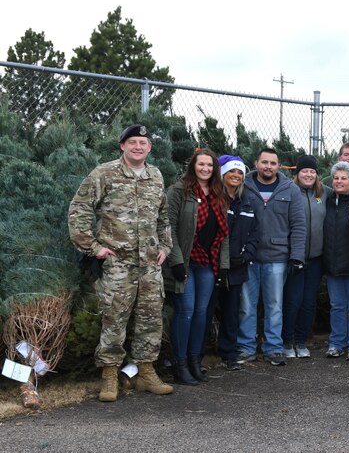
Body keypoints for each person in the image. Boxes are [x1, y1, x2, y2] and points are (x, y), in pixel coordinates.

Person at [68, 124, 174, 401]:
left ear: (149, 147)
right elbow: (79, 209)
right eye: (133, 142)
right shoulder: (104, 173)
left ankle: (146, 373)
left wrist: (165, 246)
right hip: (118, 263)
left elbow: (163, 216)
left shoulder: (155, 176)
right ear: (122, 146)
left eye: (144, 142)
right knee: (114, 319)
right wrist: (93, 247)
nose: (138, 147)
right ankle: (110, 376)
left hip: (150, 263)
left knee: (151, 319)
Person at [164, 148, 229, 385]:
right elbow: (168, 227)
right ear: (193, 166)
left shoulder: (217, 193)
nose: (205, 169)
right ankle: (179, 365)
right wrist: (177, 261)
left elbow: (224, 234)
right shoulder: (179, 191)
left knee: (202, 313)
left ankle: (194, 360)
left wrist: (223, 265)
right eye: (201, 164)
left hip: (208, 263)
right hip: (186, 261)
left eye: (210, 165)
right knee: (186, 312)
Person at [238, 148, 307, 366]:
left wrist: (297, 256)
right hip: (248, 257)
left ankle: (273, 348)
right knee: (247, 306)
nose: (269, 166)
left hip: (277, 257)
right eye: (264, 162)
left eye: (273, 163)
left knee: (275, 306)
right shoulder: (244, 186)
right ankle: (246, 348)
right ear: (256, 163)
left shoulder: (290, 189)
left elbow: (298, 225)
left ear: (279, 166)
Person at [214, 155, 260, 372]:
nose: (236, 176)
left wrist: (247, 254)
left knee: (232, 312)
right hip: (213, 265)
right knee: (204, 310)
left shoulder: (247, 201)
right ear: (222, 174)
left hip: (238, 266)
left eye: (240, 172)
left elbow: (255, 232)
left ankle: (229, 353)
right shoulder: (215, 198)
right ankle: (193, 356)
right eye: (232, 172)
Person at [282, 155, 328, 359]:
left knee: (309, 301)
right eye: (304, 171)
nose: (309, 174)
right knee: (293, 300)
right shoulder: (289, 192)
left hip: (316, 259)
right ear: (297, 173)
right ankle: (287, 340)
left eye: (312, 171)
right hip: (295, 258)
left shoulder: (324, 193)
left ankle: (301, 341)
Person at [323, 162, 349, 360]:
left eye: (343, 178)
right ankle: (337, 342)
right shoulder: (328, 200)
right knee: (337, 305)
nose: (339, 182)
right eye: (336, 178)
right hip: (332, 265)